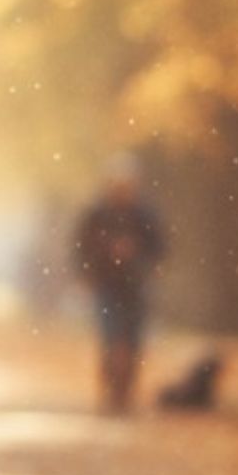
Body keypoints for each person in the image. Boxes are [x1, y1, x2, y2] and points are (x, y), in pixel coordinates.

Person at [74, 160, 165, 415]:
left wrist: (145, 260)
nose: (123, 190)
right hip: (107, 284)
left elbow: (159, 246)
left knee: (134, 341)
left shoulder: (145, 214)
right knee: (110, 338)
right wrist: (89, 269)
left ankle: (127, 393)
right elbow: (82, 245)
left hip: (136, 284)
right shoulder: (97, 214)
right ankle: (110, 391)